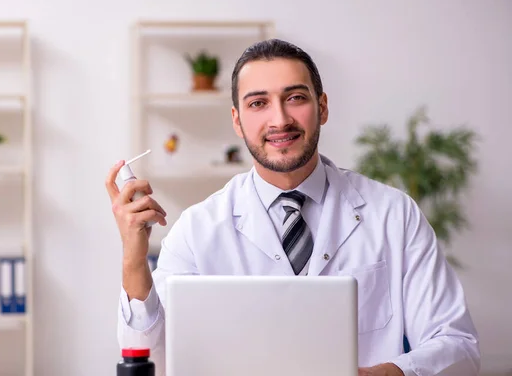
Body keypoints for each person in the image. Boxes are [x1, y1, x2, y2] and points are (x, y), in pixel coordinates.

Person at [106, 39, 480, 376]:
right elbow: (151, 358)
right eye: (258, 103)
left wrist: (386, 374)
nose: (280, 119)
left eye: (296, 98)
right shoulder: (197, 229)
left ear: (322, 106)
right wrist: (133, 261)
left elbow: (458, 347)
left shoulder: (394, 215)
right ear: (237, 120)